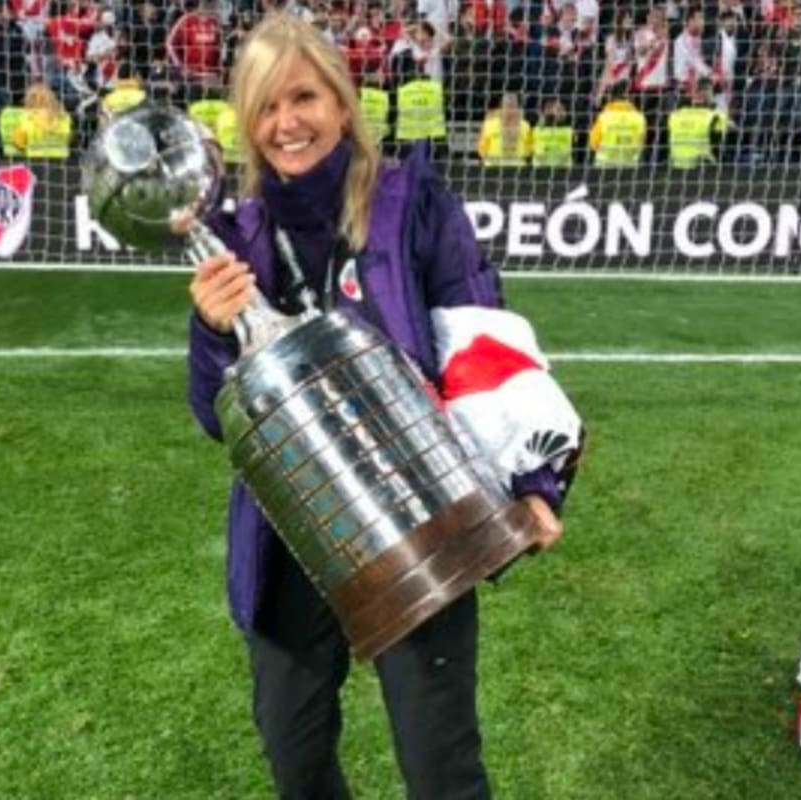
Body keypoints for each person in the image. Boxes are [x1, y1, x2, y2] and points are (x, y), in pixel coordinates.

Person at [185, 14, 567, 799]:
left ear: (343, 97)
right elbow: (213, 415)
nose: (286, 123)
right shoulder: (235, 235)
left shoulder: (411, 205)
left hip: (420, 516)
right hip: (288, 530)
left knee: (440, 769)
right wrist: (211, 331)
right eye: (265, 106)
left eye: (304, 97)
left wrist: (537, 477)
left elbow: (481, 338)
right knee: (295, 756)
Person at [668, 77, 729, 168]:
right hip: (703, 166)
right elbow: (718, 146)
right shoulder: (714, 116)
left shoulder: (675, 115)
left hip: (676, 164)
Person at [589, 79, 646, 166]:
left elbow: (593, 143)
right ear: (631, 98)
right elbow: (641, 144)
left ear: (611, 97)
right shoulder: (639, 118)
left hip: (604, 169)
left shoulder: (603, 117)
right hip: (630, 169)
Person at [12, 80, 73, 158]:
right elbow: (69, 139)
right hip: (62, 161)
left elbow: (19, 143)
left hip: (34, 160)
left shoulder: (27, 118)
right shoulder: (64, 117)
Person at [477, 92, 533, 166]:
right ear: (501, 107)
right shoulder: (489, 124)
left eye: (513, 106)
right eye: (507, 106)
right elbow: (481, 148)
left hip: (517, 164)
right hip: (494, 164)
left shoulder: (525, 125)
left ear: (517, 108)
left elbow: (529, 147)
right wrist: (488, 159)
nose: (510, 109)